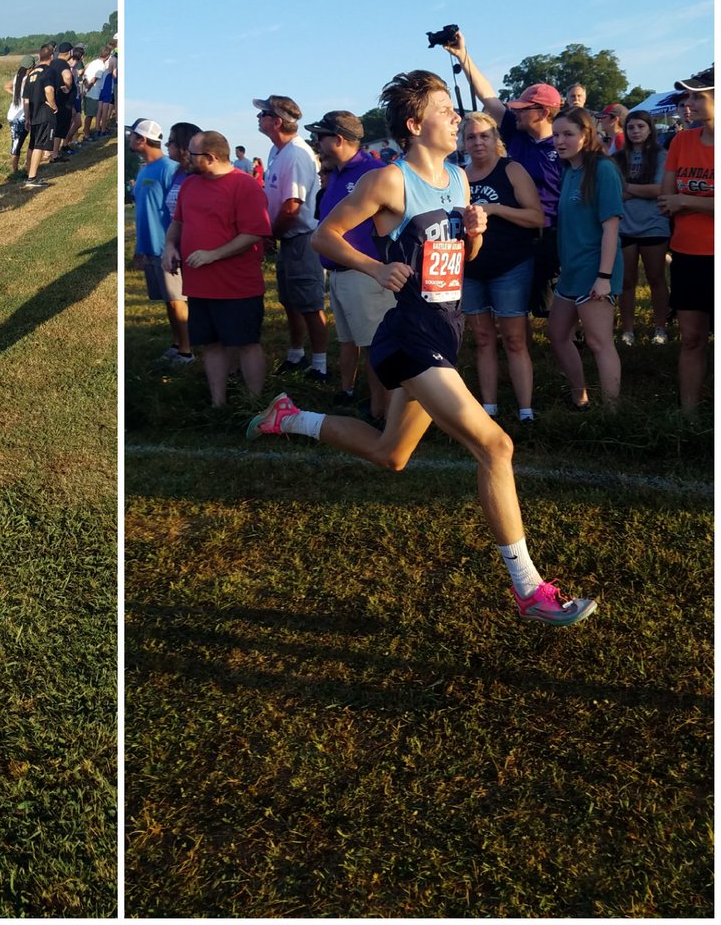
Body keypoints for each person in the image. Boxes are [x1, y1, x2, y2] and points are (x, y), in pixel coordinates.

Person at [248, 68, 596, 626]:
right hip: (408, 335)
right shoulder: (390, 181)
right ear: (415, 124)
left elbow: (464, 264)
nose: (456, 118)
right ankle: (529, 589)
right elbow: (323, 235)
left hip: (445, 332)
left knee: (393, 454)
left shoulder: (458, 180)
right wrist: (373, 264)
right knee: (496, 447)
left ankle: (290, 418)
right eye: (444, 110)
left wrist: (476, 230)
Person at [443, 32, 563, 323]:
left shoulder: (562, 144)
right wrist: (463, 56)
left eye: (524, 108)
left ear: (544, 113)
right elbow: (489, 98)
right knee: (529, 301)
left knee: (550, 300)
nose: (516, 112)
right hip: (516, 230)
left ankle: (568, 340)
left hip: (553, 230)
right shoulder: (515, 132)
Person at [163, 130, 271, 406]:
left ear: (210, 158)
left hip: (237, 285)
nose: (185, 157)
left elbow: (254, 233)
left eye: (192, 153)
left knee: (246, 343)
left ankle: (253, 403)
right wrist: (171, 247)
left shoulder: (244, 186)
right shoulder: (190, 185)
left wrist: (213, 255)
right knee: (211, 344)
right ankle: (217, 403)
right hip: (200, 284)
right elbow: (179, 222)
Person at [307, 110, 394, 423]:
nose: (317, 142)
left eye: (321, 136)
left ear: (339, 139)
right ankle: (370, 402)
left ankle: (381, 412)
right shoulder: (338, 172)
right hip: (341, 274)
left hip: (366, 274)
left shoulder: (374, 172)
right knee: (353, 340)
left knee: (375, 346)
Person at [459, 112, 543, 421]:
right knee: (482, 339)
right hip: (471, 271)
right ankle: (489, 408)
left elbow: (536, 217)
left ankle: (525, 410)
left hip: (511, 267)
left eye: (484, 136)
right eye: (471, 137)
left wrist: (494, 209)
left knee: (514, 339)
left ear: (496, 139)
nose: (478, 142)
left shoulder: (511, 170)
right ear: (464, 142)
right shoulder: (459, 176)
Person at [547, 107, 623, 410]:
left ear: (586, 135)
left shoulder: (602, 170)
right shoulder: (569, 171)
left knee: (599, 343)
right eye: (555, 135)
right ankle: (580, 397)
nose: (560, 141)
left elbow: (611, 228)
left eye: (568, 134)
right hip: (571, 272)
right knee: (557, 333)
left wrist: (603, 278)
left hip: (595, 273)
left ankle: (613, 413)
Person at [256, 94, 329, 382]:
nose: (258, 119)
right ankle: (296, 353)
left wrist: (269, 235)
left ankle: (321, 364)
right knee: (290, 300)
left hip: (302, 237)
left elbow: (291, 207)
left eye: (262, 115)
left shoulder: (296, 154)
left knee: (310, 303)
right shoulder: (277, 151)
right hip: (288, 237)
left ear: (277, 122)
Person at [658, 65, 714, 417]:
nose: (688, 104)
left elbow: (676, 198)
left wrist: (689, 202)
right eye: (687, 96)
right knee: (691, 337)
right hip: (687, 252)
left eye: (698, 96)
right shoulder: (682, 140)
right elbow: (665, 198)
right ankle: (688, 412)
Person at [130, 119, 191, 364]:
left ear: (142, 139)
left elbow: (178, 209)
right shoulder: (143, 169)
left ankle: (187, 352)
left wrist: (173, 245)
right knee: (168, 300)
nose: (129, 140)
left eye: (132, 136)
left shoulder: (170, 168)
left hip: (167, 247)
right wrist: (138, 248)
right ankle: (176, 345)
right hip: (149, 247)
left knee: (177, 300)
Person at [613, 109, 670, 346]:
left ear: (650, 129)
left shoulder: (661, 156)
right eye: (631, 127)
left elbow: (660, 190)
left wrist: (628, 189)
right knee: (626, 281)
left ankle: (660, 327)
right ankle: (627, 330)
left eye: (640, 127)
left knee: (656, 278)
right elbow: (613, 191)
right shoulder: (617, 158)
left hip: (654, 225)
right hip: (625, 226)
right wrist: (634, 191)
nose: (635, 131)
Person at [23, 43, 56, 189]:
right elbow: (49, 90)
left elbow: (26, 99)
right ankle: (32, 177)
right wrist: (54, 105)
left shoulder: (31, 74)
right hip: (44, 112)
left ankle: (28, 171)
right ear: (51, 56)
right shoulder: (48, 71)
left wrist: (27, 117)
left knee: (33, 143)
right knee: (40, 145)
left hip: (33, 113)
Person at [47, 42, 77, 163]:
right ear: (70, 52)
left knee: (53, 128)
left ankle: (50, 152)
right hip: (63, 102)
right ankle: (55, 154)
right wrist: (68, 87)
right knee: (60, 129)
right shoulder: (64, 64)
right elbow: (68, 76)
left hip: (53, 100)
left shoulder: (52, 62)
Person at [7, 58, 35, 176]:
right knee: (18, 143)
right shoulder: (27, 80)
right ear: (30, 68)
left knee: (16, 142)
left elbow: (6, 86)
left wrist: (15, 95)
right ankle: (15, 170)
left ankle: (15, 169)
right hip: (21, 115)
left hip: (13, 113)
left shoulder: (17, 77)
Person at [82, 47, 109, 140]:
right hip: (93, 92)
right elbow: (95, 78)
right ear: (107, 56)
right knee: (90, 115)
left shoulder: (93, 62)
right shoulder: (101, 66)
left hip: (88, 90)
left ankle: (87, 132)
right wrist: (88, 87)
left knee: (88, 114)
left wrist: (85, 85)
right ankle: (86, 134)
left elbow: (85, 73)